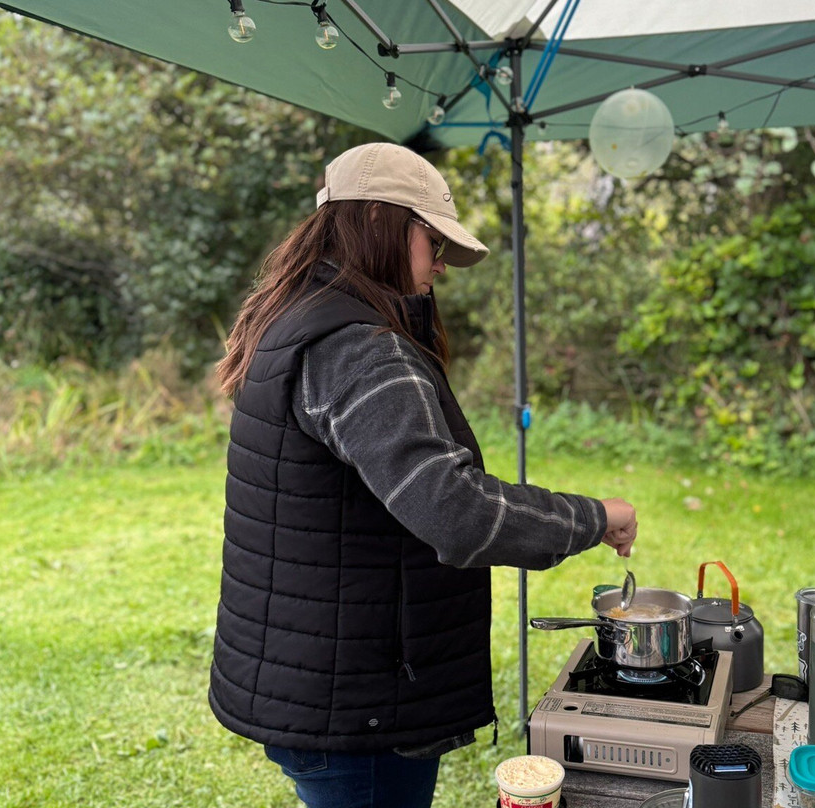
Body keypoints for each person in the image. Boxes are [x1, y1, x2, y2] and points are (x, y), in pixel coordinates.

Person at [208, 141, 638, 808]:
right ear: (379, 219)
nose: (441, 262)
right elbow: (456, 512)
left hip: (319, 687)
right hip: (360, 706)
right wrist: (595, 517)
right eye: (433, 239)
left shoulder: (294, 317)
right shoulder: (358, 349)